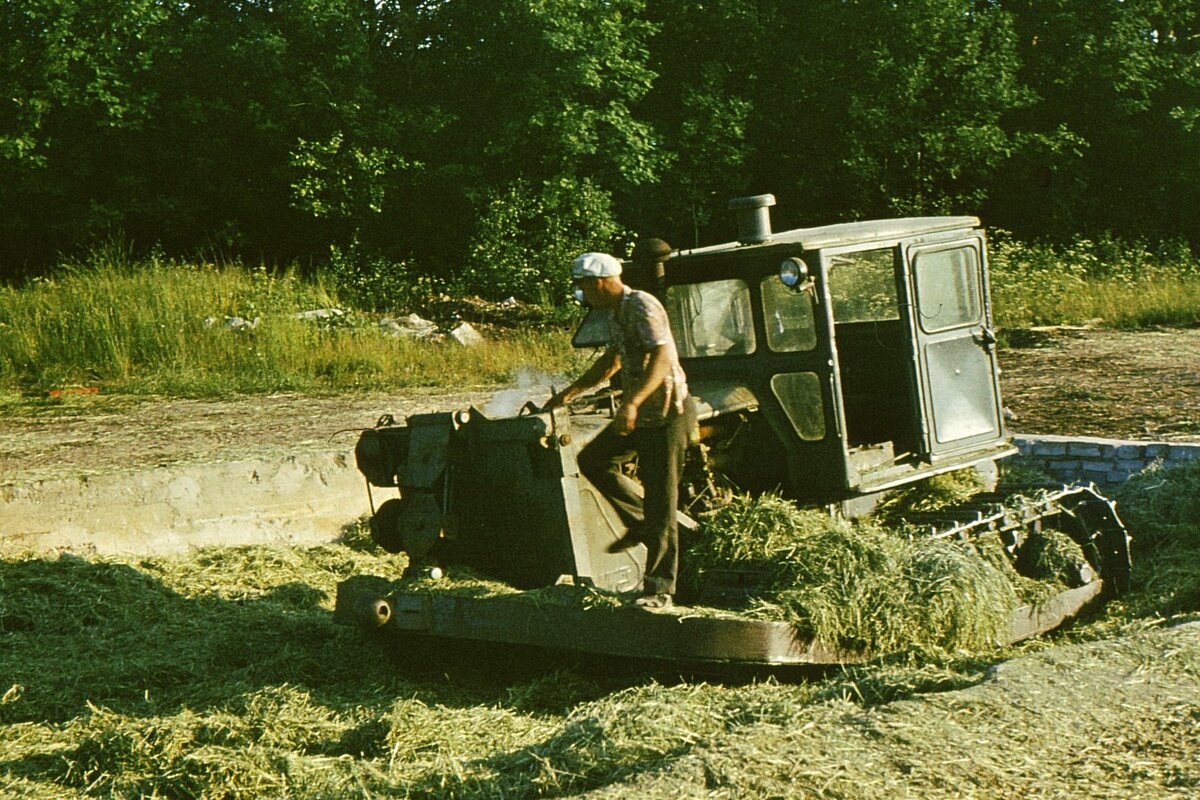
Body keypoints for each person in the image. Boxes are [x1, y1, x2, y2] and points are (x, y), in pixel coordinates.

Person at [544, 251, 695, 611]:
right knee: (594, 461)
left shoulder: (643, 305)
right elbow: (613, 360)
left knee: (662, 500)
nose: (582, 295)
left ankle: (660, 590)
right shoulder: (614, 314)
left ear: (598, 282)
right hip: (643, 414)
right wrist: (570, 393)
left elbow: (663, 356)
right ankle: (648, 523)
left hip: (666, 414)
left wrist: (632, 403)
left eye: (582, 287)